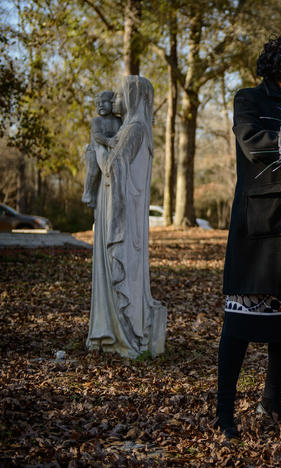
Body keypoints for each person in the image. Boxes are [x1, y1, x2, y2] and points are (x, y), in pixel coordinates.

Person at [216, 35, 281, 438]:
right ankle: (224, 414)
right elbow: (252, 144)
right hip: (258, 227)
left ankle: (270, 402)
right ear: (276, 67)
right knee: (240, 323)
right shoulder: (248, 100)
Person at [85, 75, 166, 359]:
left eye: (119, 96)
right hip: (120, 209)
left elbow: (112, 167)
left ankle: (121, 335)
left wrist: (96, 150)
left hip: (120, 215)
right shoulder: (135, 128)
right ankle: (109, 334)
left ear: (132, 98)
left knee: (120, 274)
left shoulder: (133, 129)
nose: (115, 102)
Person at [82, 91, 122, 208]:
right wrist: (108, 141)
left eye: (104, 102)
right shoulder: (97, 121)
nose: (100, 105)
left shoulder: (119, 121)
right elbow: (97, 136)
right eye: (97, 103)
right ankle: (88, 192)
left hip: (111, 152)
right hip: (94, 151)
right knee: (93, 171)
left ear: (112, 103)